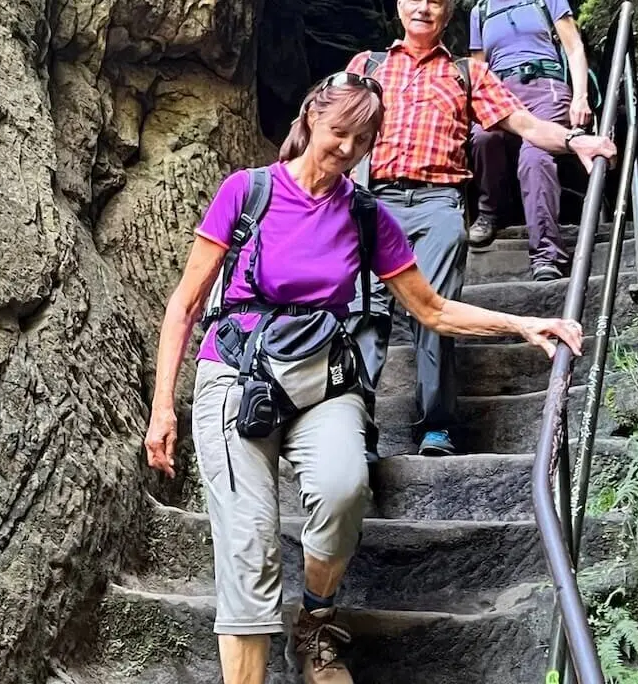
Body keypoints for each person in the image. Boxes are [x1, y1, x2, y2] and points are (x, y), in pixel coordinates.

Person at [143, 72, 585, 684]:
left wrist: (524, 325)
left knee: (345, 487)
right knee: (249, 548)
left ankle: (316, 621)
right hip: (237, 375)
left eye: (363, 139)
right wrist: (164, 406)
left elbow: (431, 309)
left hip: (324, 376)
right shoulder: (247, 192)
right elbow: (185, 303)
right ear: (310, 120)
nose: (348, 150)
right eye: (339, 133)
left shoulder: (367, 215)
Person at [344, 0, 616, 456]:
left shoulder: (466, 74)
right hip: (373, 200)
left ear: (448, 14)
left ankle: (437, 424)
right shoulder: (367, 66)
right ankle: (353, 429)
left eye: (437, 2)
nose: (425, 8)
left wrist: (573, 139)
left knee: (435, 314)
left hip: (438, 204)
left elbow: (526, 124)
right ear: (399, 5)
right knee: (363, 315)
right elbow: (329, 130)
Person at [467, 0, 595, 281]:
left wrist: (580, 97)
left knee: (534, 155)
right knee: (482, 138)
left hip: (546, 86)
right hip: (500, 93)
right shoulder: (481, 11)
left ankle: (547, 254)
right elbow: (477, 72)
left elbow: (573, 47)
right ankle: (491, 213)